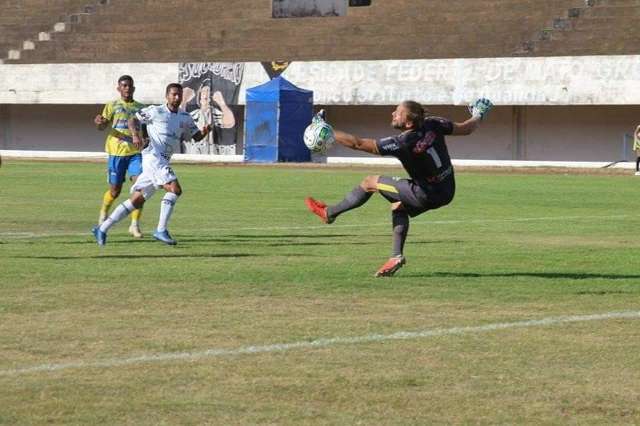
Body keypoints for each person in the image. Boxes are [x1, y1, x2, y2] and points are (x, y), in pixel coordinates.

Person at [305, 99, 493, 277]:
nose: (393, 113)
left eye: (399, 113)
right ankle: (396, 257)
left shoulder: (402, 143)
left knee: (370, 182)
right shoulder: (434, 123)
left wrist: (326, 130)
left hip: (424, 193)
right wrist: (478, 114)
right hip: (447, 190)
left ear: (409, 123)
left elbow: (358, 143)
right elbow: (466, 128)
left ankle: (329, 213)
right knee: (398, 205)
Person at [92, 83, 212, 246]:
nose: (177, 98)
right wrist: (135, 135)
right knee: (175, 189)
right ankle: (161, 230)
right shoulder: (156, 111)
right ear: (167, 96)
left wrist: (204, 132)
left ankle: (102, 228)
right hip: (153, 158)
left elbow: (195, 136)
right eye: (173, 94)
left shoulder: (185, 117)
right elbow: (133, 120)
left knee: (137, 200)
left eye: (179, 95)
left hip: (162, 160)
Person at [94, 75, 146, 238]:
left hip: (135, 153)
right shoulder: (112, 106)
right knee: (115, 191)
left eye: (130, 86)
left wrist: (143, 139)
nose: (127, 88)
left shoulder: (141, 108)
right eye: (124, 86)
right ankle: (103, 214)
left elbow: (144, 130)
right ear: (119, 88)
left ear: (134, 88)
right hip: (116, 152)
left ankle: (134, 225)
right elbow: (102, 126)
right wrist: (99, 122)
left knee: (140, 188)